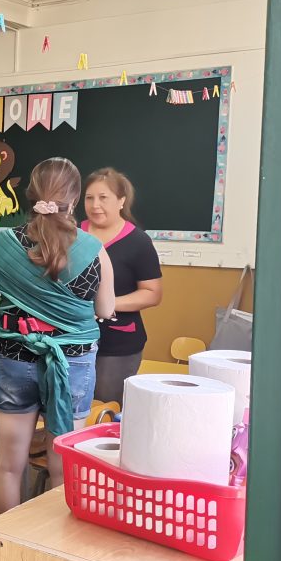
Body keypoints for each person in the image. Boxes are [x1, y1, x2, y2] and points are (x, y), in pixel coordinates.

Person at [0, 158, 116, 516]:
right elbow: (106, 307)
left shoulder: (2, 245)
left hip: (16, 360)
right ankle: (53, 551)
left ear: (29, 196)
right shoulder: (94, 251)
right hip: (73, 362)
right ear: (74, 200)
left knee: (9, 464)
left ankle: (7, 545)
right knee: (65, 467)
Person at [81, 168, 163, 404]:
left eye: (103, 198)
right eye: (89, 198)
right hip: (73, 339)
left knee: (105, 408)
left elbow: (152, 293)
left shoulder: (138, 241)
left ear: (121, 201)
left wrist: (107, 305)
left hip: (117, 345)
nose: (95, 205)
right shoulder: (71, 234)